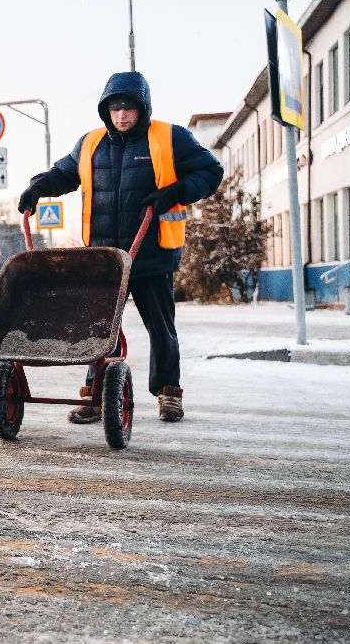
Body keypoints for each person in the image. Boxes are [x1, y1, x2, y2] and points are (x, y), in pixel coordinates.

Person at [17, 71, 222, 424]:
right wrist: (38, 188)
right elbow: (63, 173)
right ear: (105, 111)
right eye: (115, 108)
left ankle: (168, 393)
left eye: (129, 107)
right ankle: (95, 397)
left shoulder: (170, 137)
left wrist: (175, 193)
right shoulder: (91, 144)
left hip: (152, 252)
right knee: (99, 328)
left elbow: (210, 170)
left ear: (143, 108)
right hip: (104, 258)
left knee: (160, 327)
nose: (122, 115)